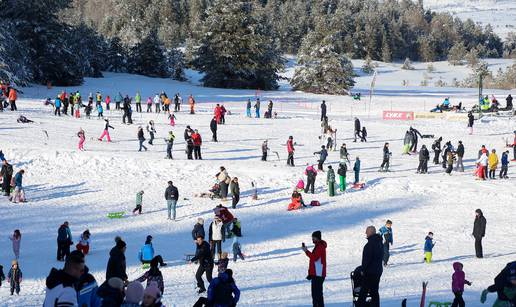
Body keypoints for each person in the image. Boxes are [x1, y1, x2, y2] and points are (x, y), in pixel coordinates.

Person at [357, 226, 383, 307]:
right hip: (378, 271)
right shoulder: (379, 243)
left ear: (371, 232)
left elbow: (367, 259)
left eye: (367, 231)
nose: (366, 233)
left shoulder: (370, 244)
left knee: (363, 292)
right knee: (374, 291)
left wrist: (363, 269)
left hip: (370, 272)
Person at [301, 231, 327, 307]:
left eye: (314, 237)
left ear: (318, 238)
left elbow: (314, 258)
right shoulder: (318, 245)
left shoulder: (320, 246)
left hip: (318, 274)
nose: (312, 239)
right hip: (317, 273)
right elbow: (314, 260)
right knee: (317, 294)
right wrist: (310, 274)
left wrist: (306, 251)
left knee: (316, 295)